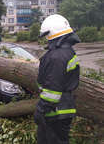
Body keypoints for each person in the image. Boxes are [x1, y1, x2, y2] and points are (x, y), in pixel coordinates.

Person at [34, 14, 80, 144]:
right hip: (63, 108)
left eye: (47, 36)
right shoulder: (67, 51)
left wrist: (40, 110)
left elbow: (52, 91)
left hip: (55, 112)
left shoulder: (57, 57)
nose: (47, 39)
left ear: (53, 33)